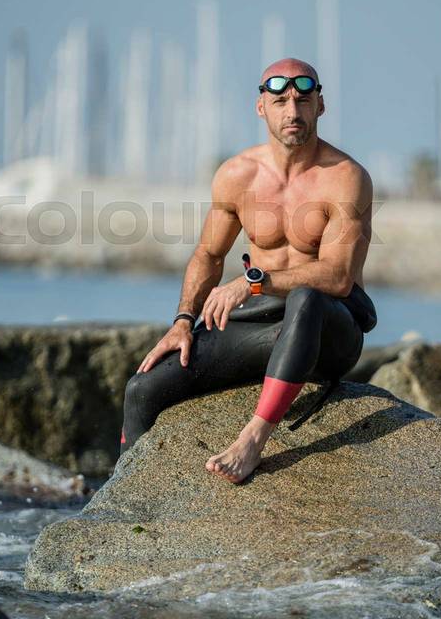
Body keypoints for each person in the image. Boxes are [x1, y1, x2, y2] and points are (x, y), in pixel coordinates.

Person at [120, 57, 377, 484]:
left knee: (307, 296)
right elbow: (208, 255)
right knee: (142, 387)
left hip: (329, 330)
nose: (292, 112)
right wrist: (184, 320)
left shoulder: (345, 178)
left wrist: (253, 282)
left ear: (320, 106)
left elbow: (336, 277)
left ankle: (254, 439)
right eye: (279, 101)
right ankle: (123, 494)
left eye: (303, 100)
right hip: (260, 324)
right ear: (261, 108)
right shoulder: (238, 176)